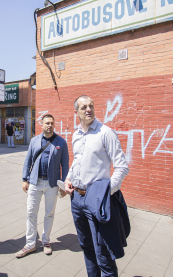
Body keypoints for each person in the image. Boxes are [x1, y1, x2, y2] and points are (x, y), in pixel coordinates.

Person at [65, 96, 130, 276]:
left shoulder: (105, 133)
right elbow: (77, 161)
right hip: (76, 199)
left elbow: (122, 167)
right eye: (84, 107)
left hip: (97, 200)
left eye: (91, 106)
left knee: (103, 253)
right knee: (86, 247)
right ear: (76, 112)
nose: (88, 109)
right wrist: (69, 179)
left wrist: (105, 192)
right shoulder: (76, 135)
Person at [16, 114, 69, 258]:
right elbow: (28, 161)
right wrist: (24, 179)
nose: (49, 125)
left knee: (49, 213)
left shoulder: (61, 142)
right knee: (31, 213)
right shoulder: (34, 141)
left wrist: (63, 185)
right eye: (47, 123)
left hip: (52, 184)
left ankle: (46, 241)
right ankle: (30, 243)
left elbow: (65, 164)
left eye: (52, 123)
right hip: (35, 182)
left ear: (54, 124)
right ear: (41, 124)